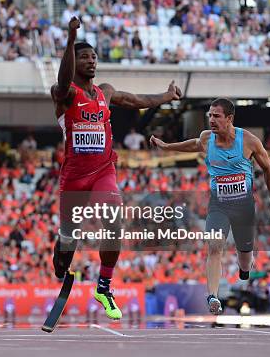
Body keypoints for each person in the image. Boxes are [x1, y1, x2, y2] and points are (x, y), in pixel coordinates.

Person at [51, 16, 182, 320]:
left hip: (103, 171)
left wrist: (166, 96)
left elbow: (136, 100)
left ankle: (104, 285)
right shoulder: (64, 94)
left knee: (114, 222)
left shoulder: (105, 92)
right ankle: (63, 249)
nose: (92, 61)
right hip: (73, 178)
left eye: (94, 57)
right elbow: (62, 79)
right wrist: (71, 39)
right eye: (85, 57)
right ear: (74, 60)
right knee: (68, 245)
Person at [150, 98, 270, 315]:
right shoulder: (207, 139)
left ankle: (244, 269)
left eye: (216, 116)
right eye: (209, 115)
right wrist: (166, 146)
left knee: (244, 257)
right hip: (218, 205)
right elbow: (193, 144)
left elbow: (268, 168)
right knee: (214, 246)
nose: (210, 120)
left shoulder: (248, 141)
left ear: (229, 118)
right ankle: (212, 296)